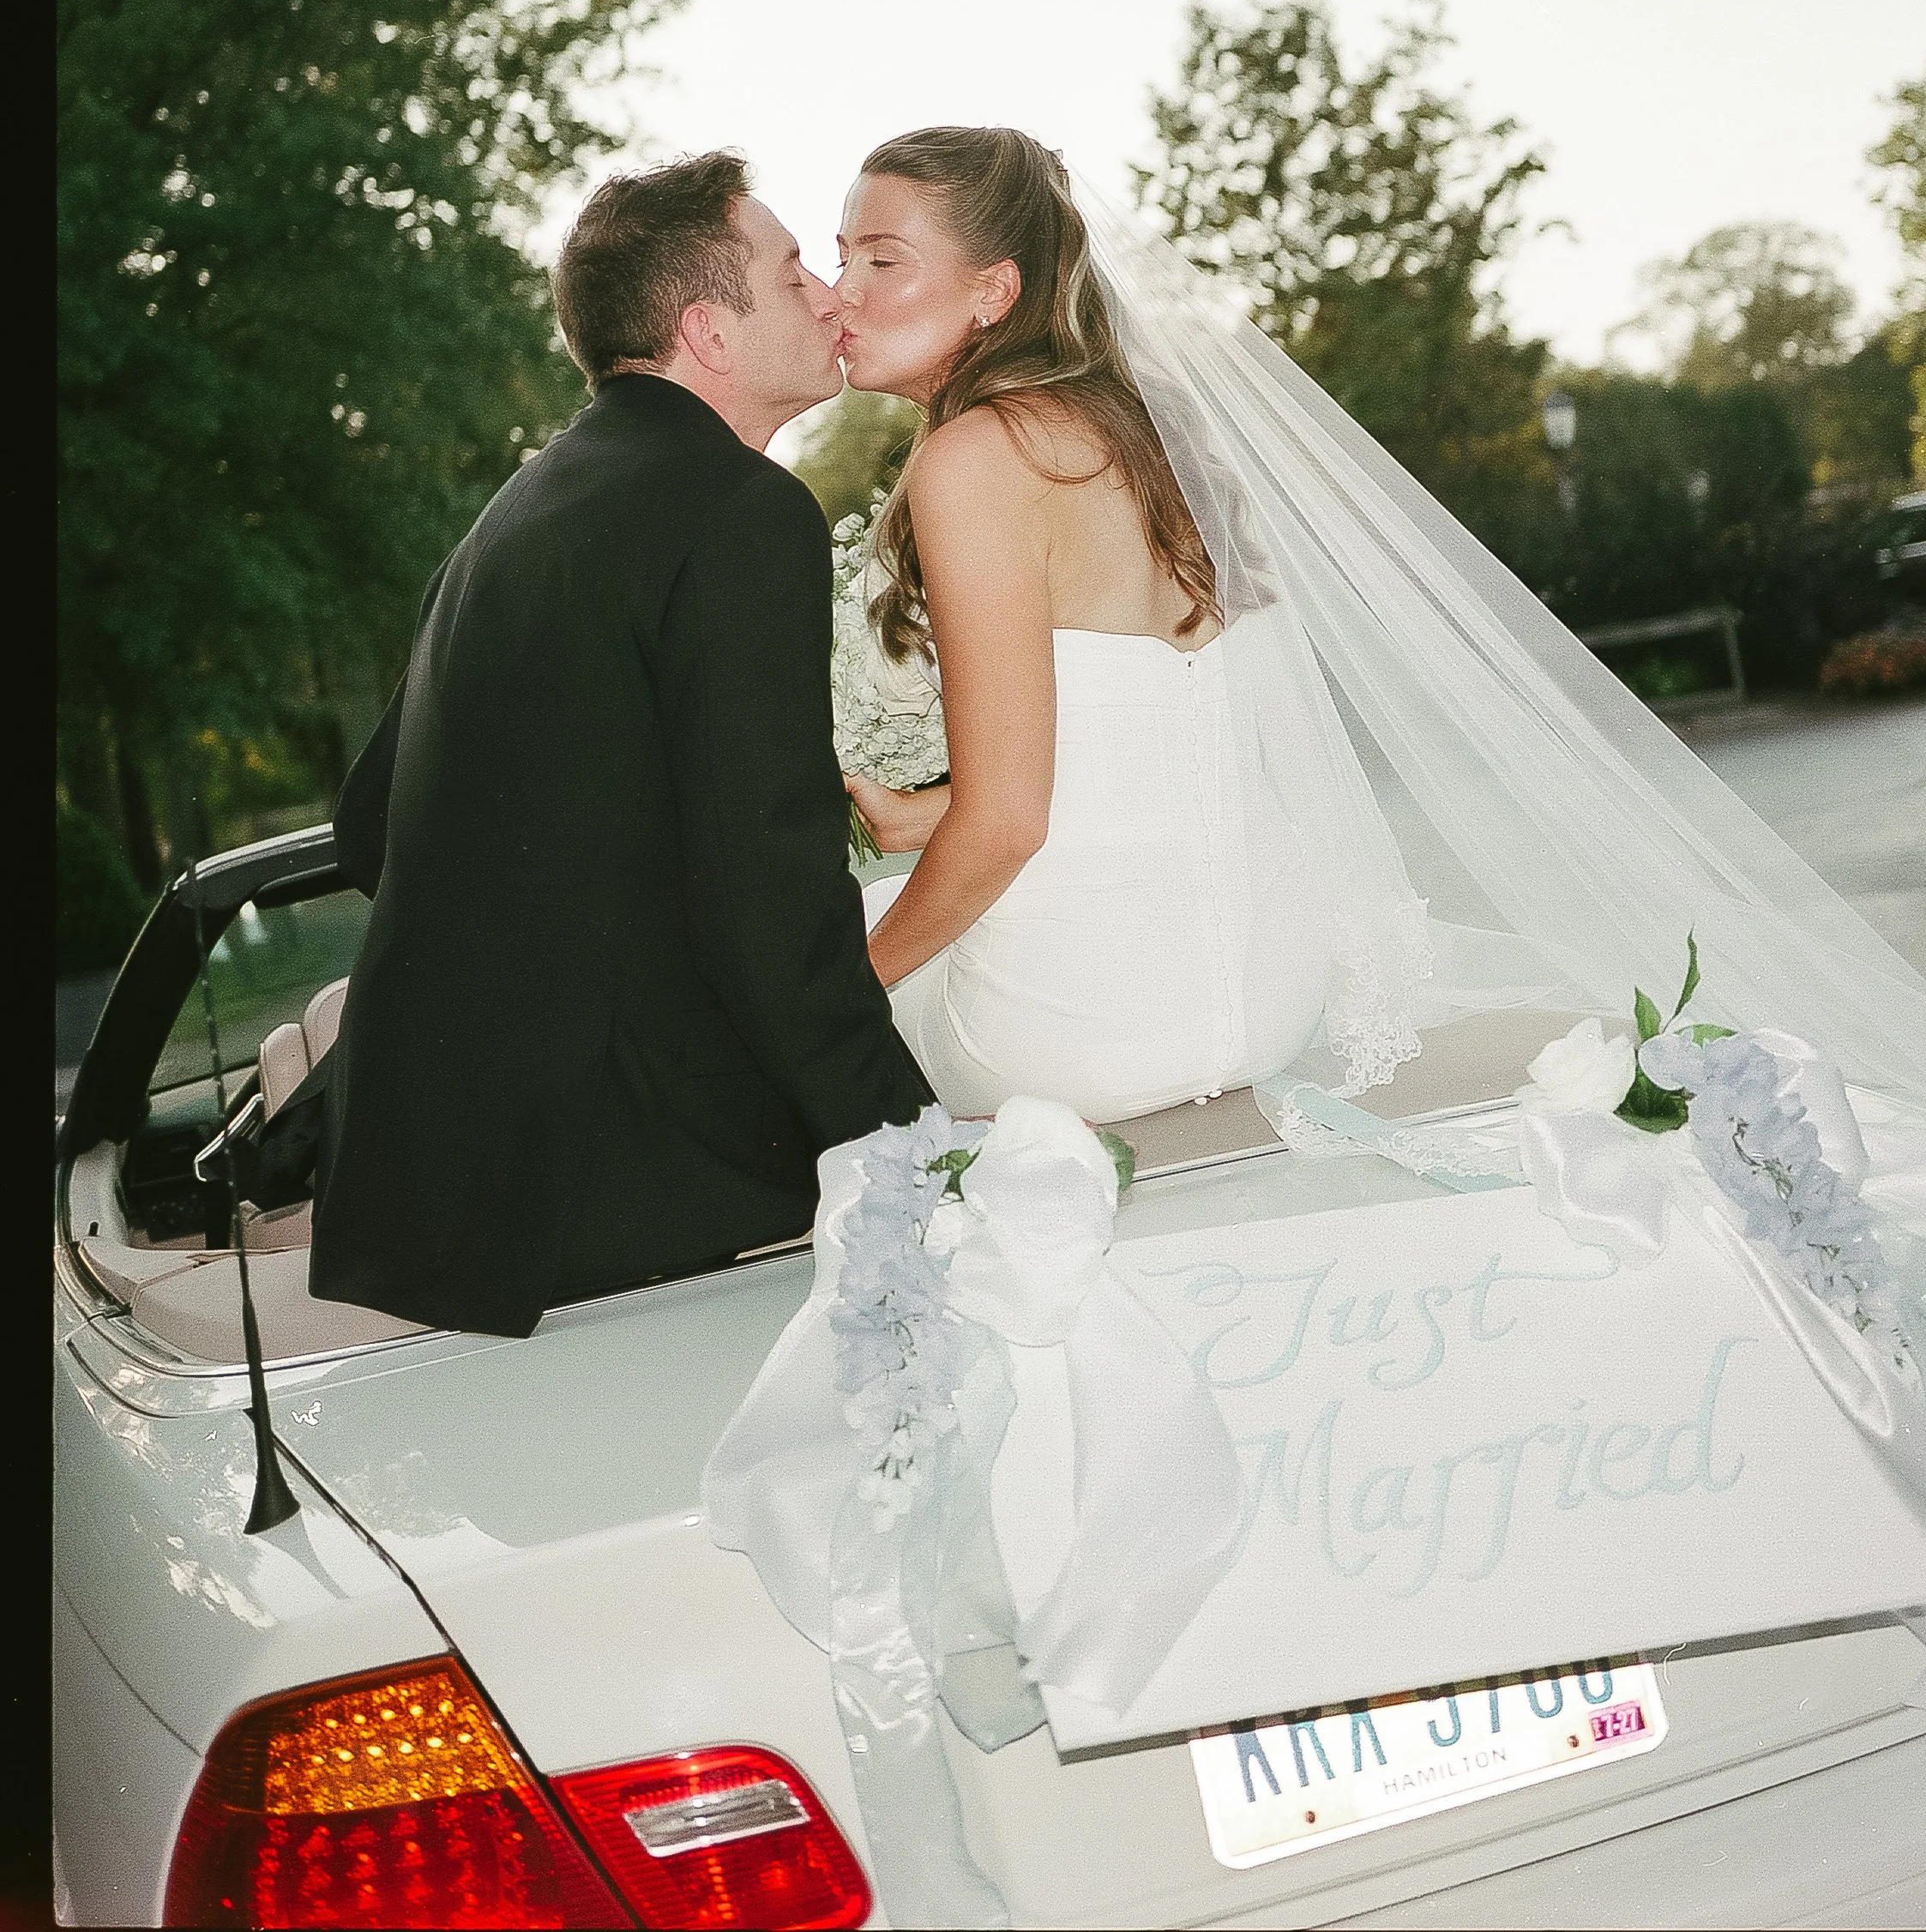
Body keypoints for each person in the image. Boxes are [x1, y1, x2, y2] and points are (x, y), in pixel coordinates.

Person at [309, 151, 933, 1339]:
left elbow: (369, 825)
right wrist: (915, 1150)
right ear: (707, 329)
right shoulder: (741, 514)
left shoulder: (521, 511)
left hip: (449, 1189)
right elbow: (770, 899)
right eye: (792, 266)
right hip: (625, 1198)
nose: (826, 294)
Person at [835, 128, 1338, 1118]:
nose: (838, 290)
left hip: (1078, 1031)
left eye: (881, 260)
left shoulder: (975, 458)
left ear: (993, 290)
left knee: (803, 983)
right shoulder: (1144, 432)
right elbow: (1147, 740)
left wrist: (837, 994)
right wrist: (925, 811)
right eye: (839, 254)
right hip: (1274, 986)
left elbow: (1011, 823)